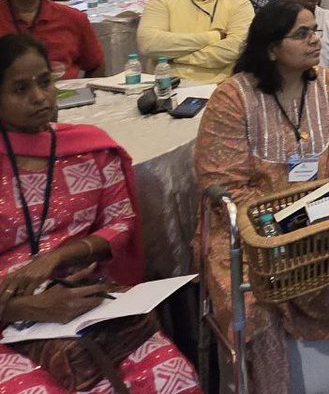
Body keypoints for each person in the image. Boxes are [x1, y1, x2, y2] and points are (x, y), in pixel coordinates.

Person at [194, 1, 329, 394]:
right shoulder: (233, 98)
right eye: (302, 34)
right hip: (254, 230)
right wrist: (284, 222)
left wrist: (320, 207)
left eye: (315, 31)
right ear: (271, 48)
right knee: (254, 296)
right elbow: (223, 183)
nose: (316, 40)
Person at [0, 35, 203, 394]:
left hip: (87, 300)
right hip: (7, 314)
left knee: (173, 375)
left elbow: (120, 222)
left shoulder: (87, 148)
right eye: (20, 88)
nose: (39, 97)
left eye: (45, 82)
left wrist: (56, 258)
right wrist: (28, 307)